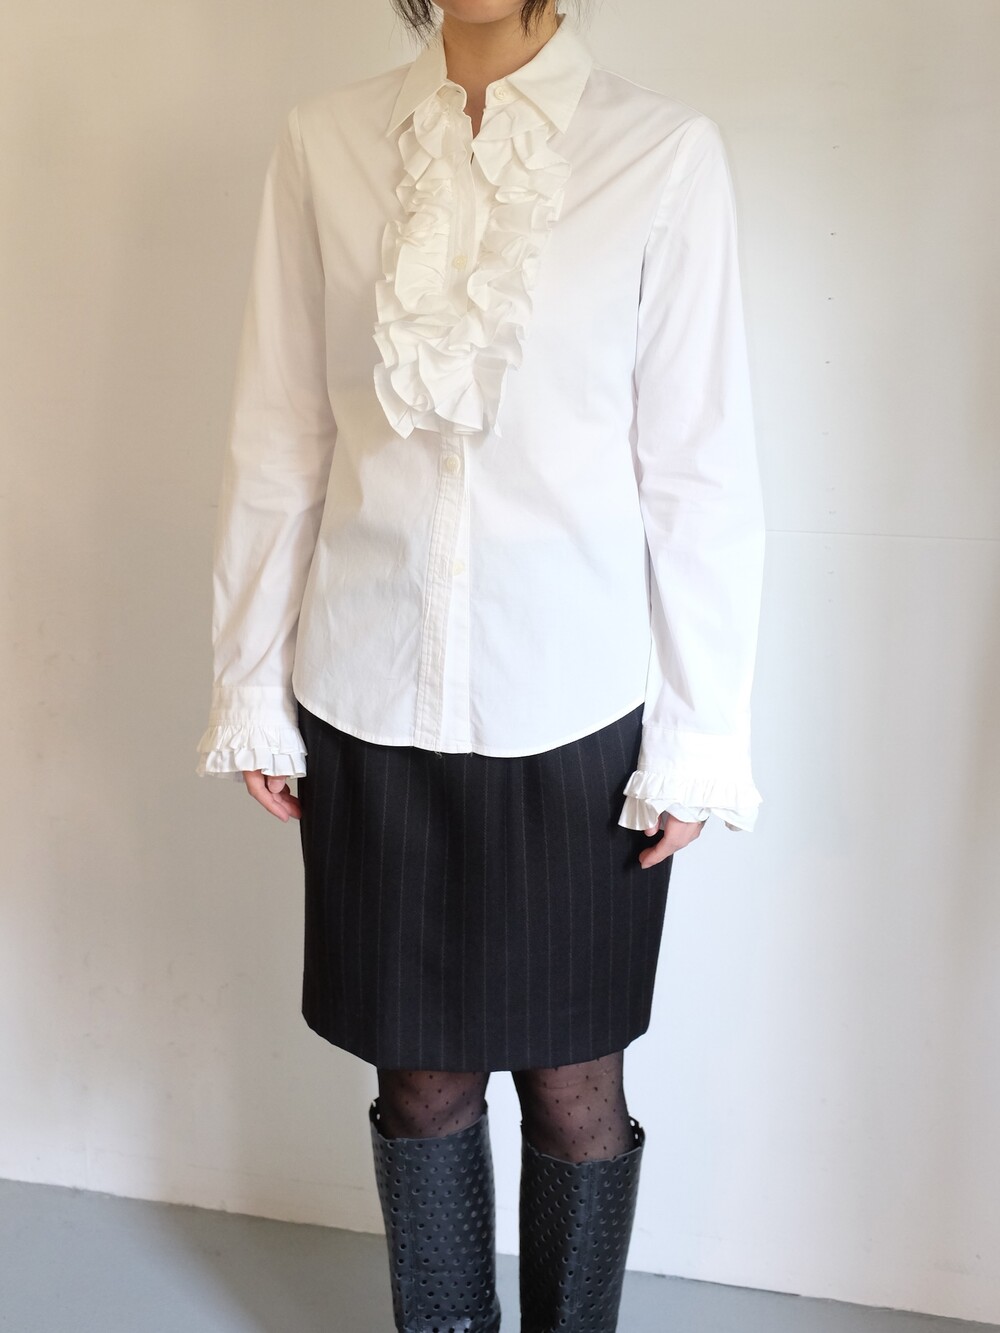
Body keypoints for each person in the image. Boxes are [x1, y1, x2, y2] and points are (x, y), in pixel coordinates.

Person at [195, 0, 765, 1327]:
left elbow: (698, 474)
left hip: (577, 721)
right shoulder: (324, 144)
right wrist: (251, 683)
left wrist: (700, 736)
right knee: (421, 1082)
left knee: (576, 1085)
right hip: (368, 699)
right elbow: (280, 431)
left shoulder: (662, 154)